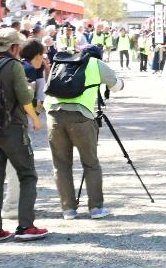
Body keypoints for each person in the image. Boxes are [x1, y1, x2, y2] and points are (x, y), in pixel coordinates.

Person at [0, 27, 46, 242]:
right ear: (14, 47)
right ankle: (25, 226)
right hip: (11, 128)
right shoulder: (13, 66)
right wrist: (34, 118)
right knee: (27, 174)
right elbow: (24, 98)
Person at [48, 42, 123, 220]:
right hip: (81, 117)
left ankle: (68, 210)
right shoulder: (96, 64)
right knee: (90, 163)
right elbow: (117, 86)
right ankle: (96, 208)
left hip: (54, 115)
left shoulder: (63, 62)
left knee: (61, 165)